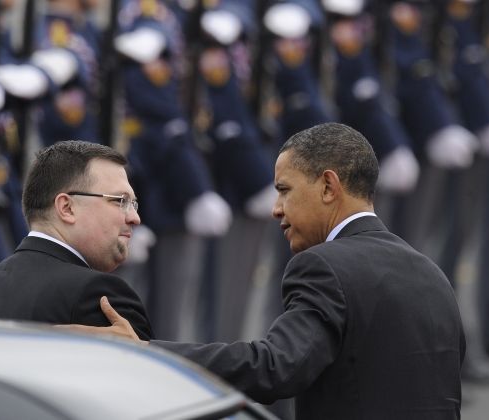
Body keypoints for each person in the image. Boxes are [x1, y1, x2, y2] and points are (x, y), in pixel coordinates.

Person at [65, 123, 466, 419]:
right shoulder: (429, 273)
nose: (276, 208)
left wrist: (146, 353)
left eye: (285, 190)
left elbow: (273, 368)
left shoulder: (323, 266)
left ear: (329, 187)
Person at [0, 140, 152, 341]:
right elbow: (163, 373)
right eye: (120, 201)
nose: (135, 217)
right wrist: (142, 350)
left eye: (133, 203)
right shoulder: (97, 295)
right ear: (67, 208)